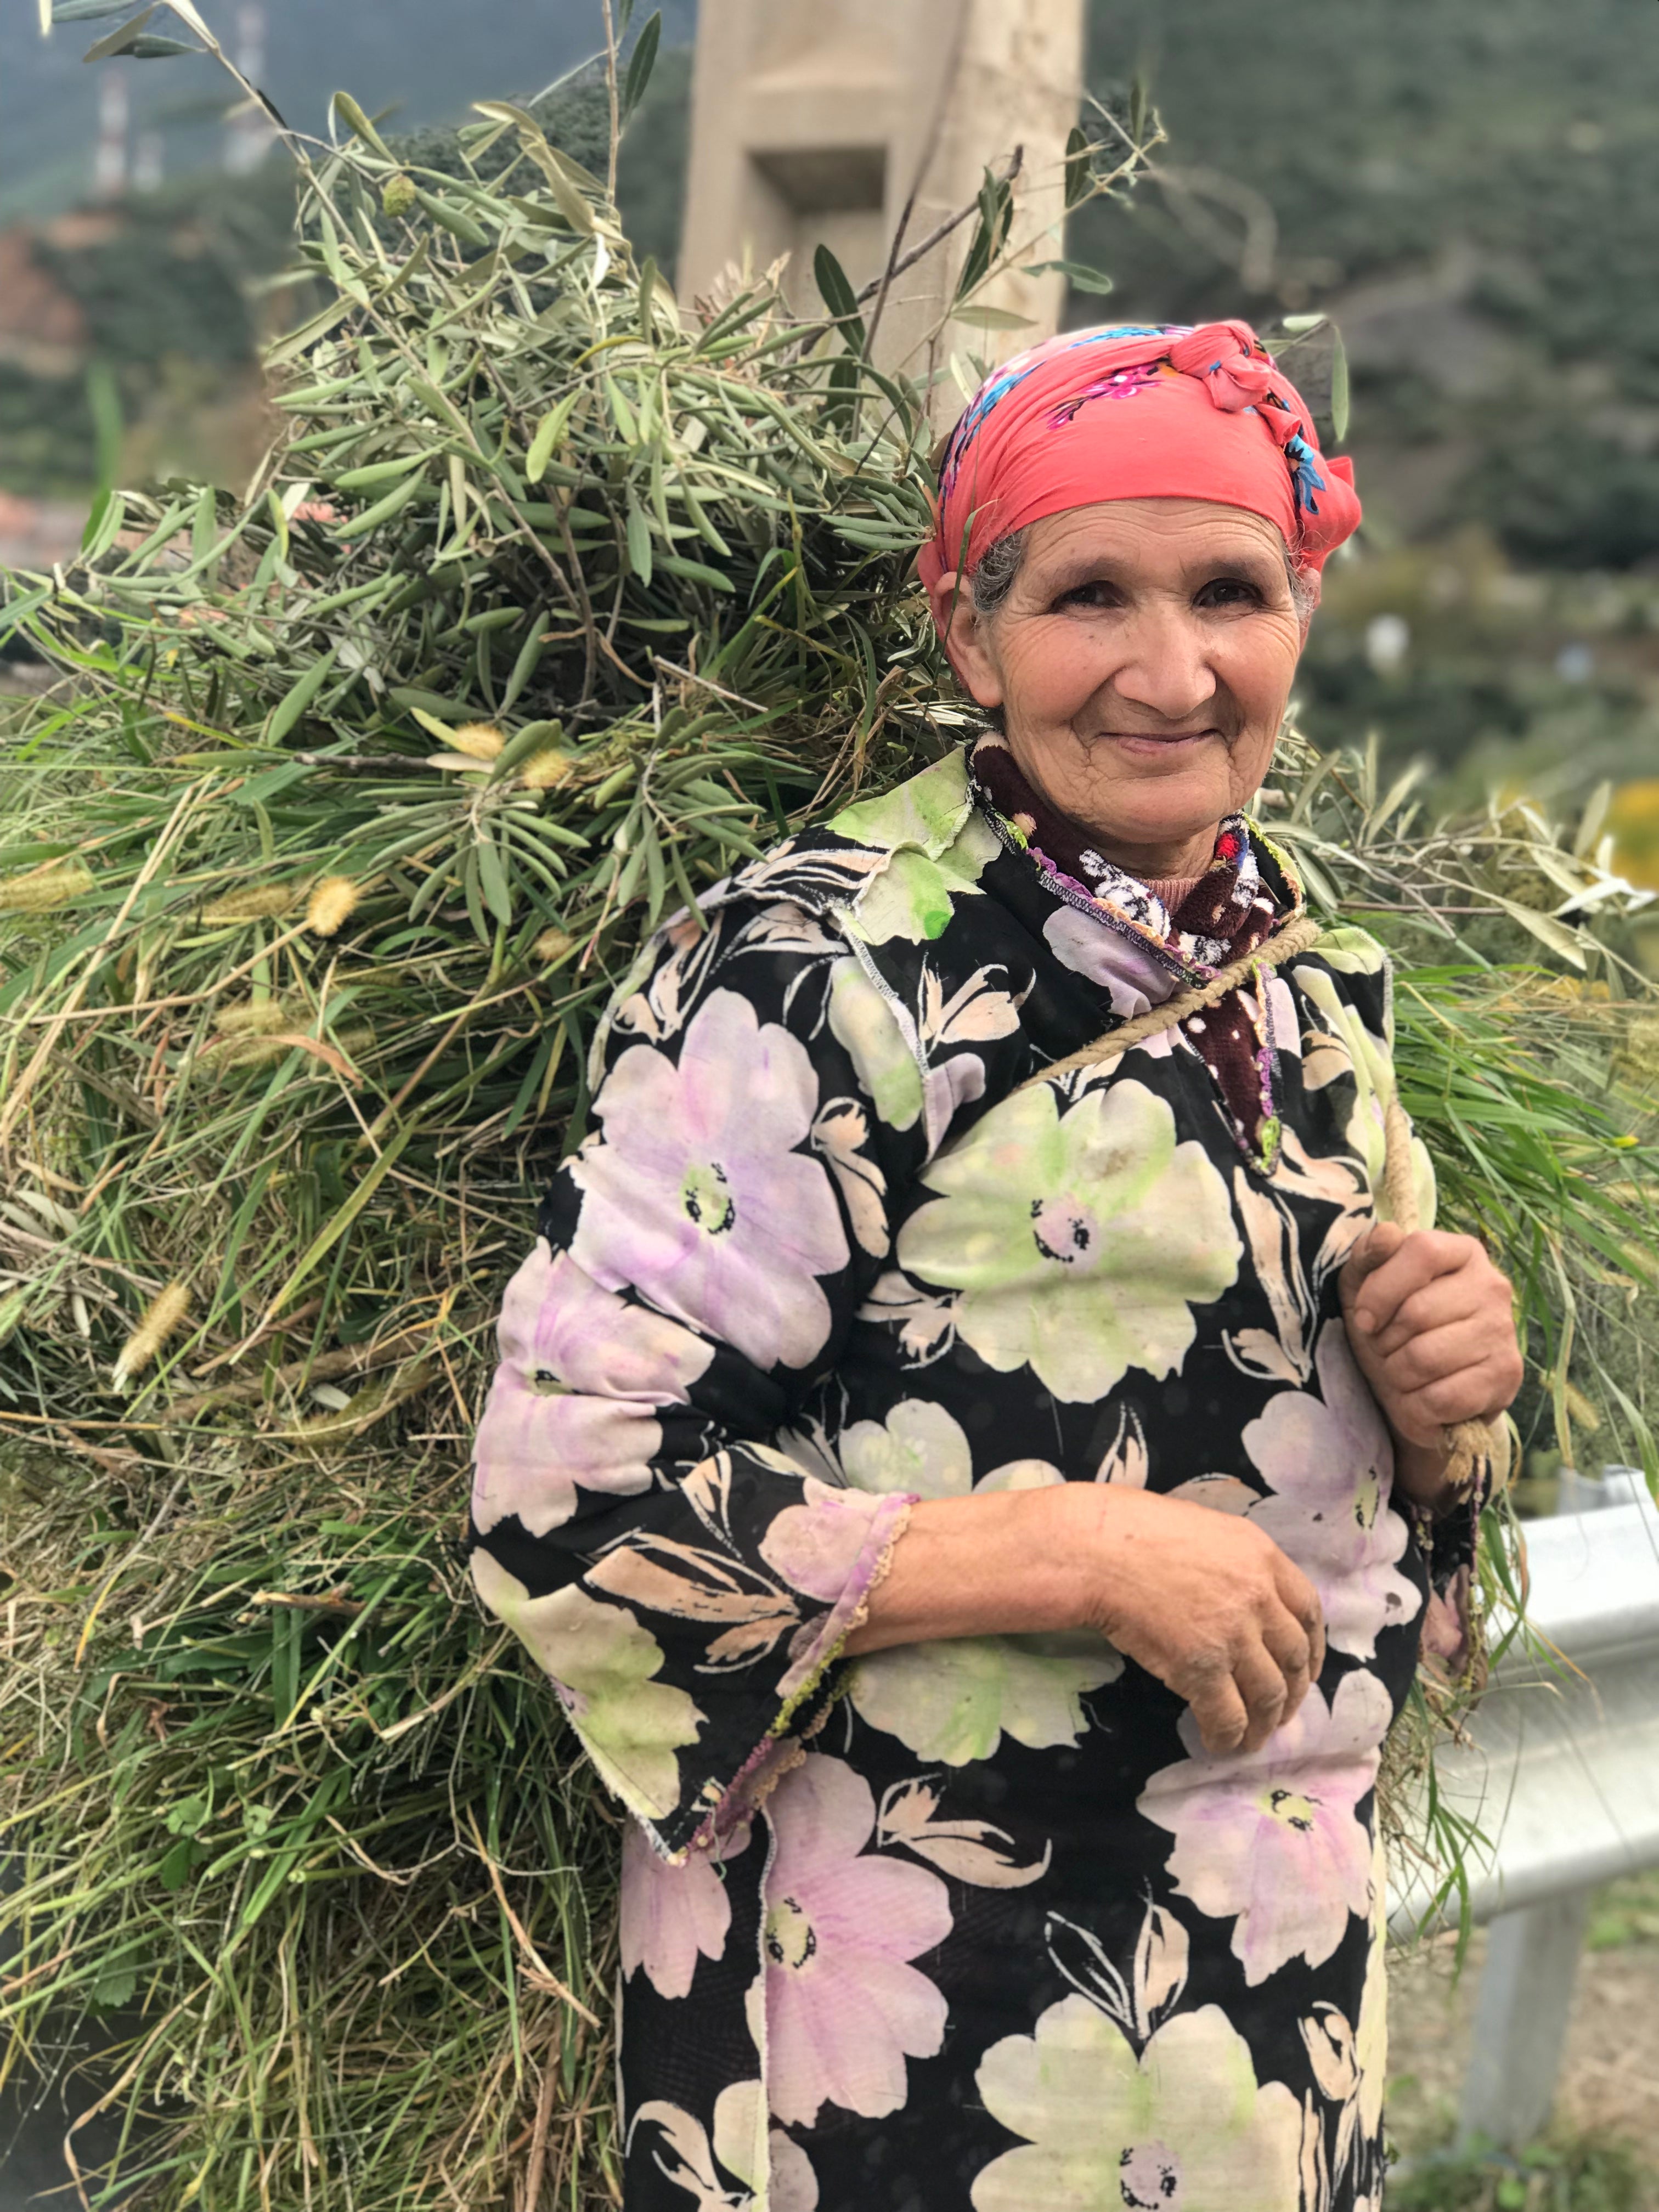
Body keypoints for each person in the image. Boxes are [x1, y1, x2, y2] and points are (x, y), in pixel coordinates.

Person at [467, 320, 1523, 2212]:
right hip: (903, 2018)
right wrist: (1079, 1552)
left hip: (1267, 2004)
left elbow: (1383, 1563)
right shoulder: (819, 972)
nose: (1170, 668)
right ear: (972, 635)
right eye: (1087, 597)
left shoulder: (1314, 1000)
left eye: (1232, 592)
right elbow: (568, 1486)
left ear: (1304, 616)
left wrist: (1443, 1418)